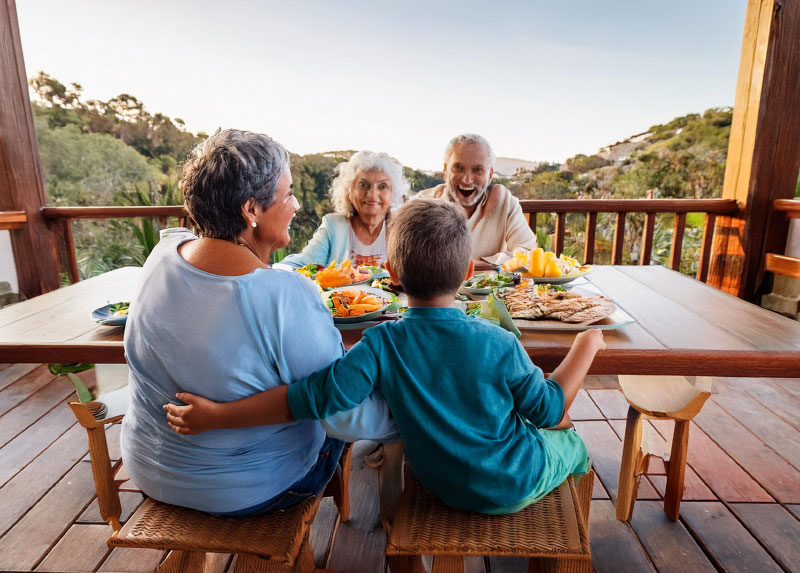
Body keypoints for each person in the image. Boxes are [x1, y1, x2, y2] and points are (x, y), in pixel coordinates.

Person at [165, 199, 604, 514]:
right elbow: (548, 408)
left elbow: (313, 397)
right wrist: (586, 344)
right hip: (512, 482)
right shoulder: (497, 341)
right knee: (570, 438)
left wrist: (218, 416)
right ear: (469, 272)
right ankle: (573, 525)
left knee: (541, 420)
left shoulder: (380, 343)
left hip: (444, 484)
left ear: (391, 275)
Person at [121, 129, 395, 517]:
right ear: (251, 210)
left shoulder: (161, 255)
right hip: (247, 490)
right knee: (338, 427)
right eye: (288, 194)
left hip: (148, 470)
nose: (297, 205)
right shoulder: (285, 294)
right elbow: (338, 406)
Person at [417, 133, 537, 265]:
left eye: (478, 170)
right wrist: (497, 261)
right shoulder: (422, 204)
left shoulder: (505, 203)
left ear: (490, 175)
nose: (467, 180)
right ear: (445, 171)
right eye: (458, 168)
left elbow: (528, 253)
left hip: (489, 286)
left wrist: (467, 266)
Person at [280, 150, 410, 269]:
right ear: (349, 190)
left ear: (394, 193)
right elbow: (304, 264)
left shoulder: (402, 231)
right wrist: (268, 270)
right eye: (363, 185)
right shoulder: (333, 226)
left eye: (382, 186)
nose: (372, 193)